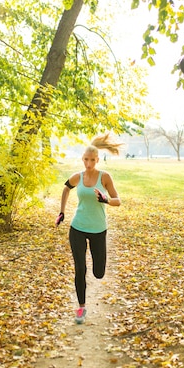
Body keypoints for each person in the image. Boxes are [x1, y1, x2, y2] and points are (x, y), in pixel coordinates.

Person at [55, 134, 122, 324]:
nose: (88, 163)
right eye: (86, 159)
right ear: (82, 159)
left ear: (97, 160)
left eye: (92, 160)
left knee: (98, 272)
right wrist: (61, 212)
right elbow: (66, 188)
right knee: (80, 268)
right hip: (78, 227)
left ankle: (97, 270)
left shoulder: (105, 177)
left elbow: (118, 201)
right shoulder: (79, 176)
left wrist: (106, 199)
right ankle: (81, 307)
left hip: (99, 229)